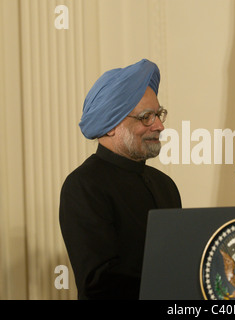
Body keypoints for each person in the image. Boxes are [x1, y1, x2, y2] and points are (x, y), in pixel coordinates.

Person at [59, 59, 182, 300]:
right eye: (147, 116)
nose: (159, 126)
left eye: (159, 114)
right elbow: (99, 283)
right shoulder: (83, 186)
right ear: (111, 125)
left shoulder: (165, 185)